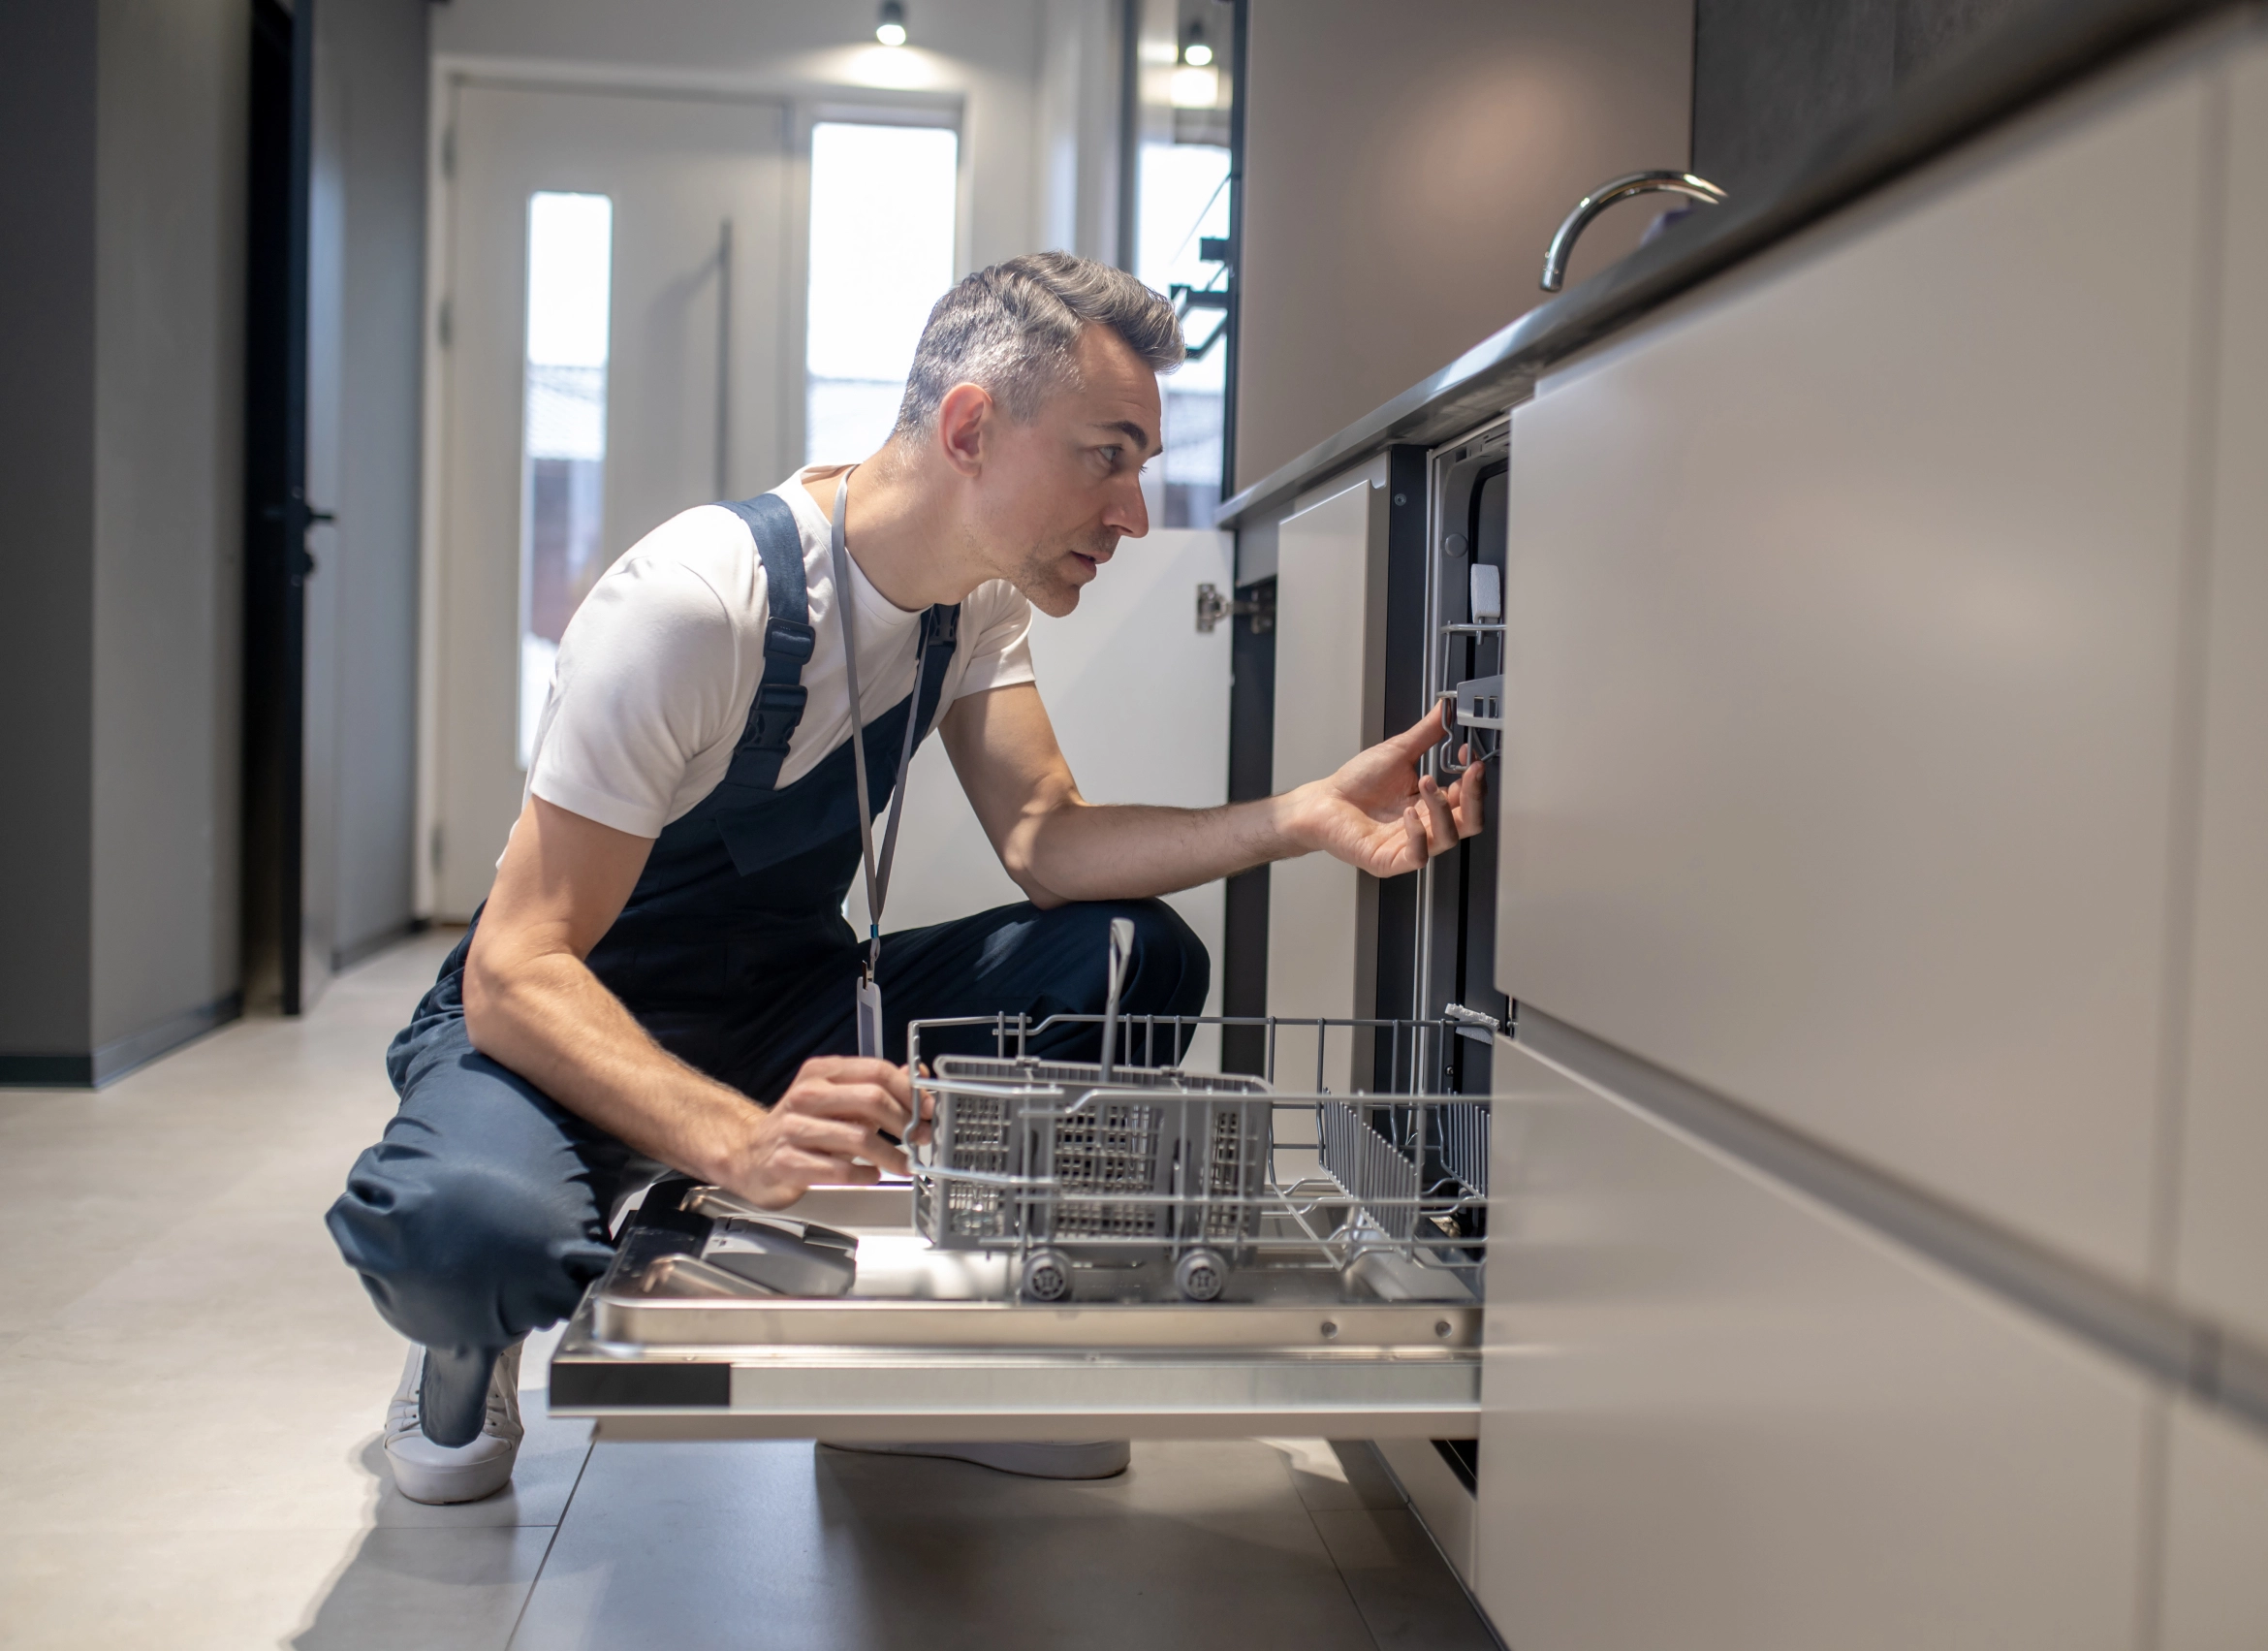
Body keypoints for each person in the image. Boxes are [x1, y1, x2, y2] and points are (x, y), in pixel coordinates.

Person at [327, 252, 1486, 1504]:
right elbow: (516, 968)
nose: (1137, 514)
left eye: (1142, 465)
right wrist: (736, 1138)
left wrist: (1298, 817)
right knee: (468, 1235)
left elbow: (1047, 839)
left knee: (1130, 954)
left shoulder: (972, 608)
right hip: (565, 1020)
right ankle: (462, 1346)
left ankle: (926, 1377)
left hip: (780, 1008)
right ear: (970, 428)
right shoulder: (696, 603)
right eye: (1108, 456)